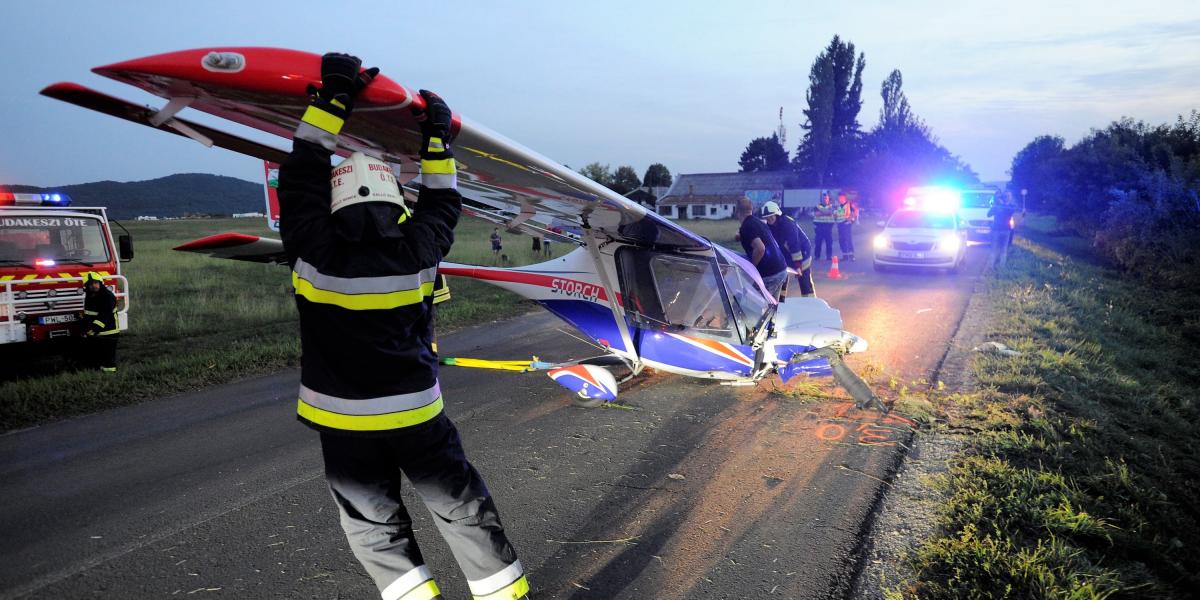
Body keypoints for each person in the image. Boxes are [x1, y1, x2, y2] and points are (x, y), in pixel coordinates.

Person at [278, 53, 528, 600]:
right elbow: (443, 200)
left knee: (373, 524)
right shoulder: (419, 248)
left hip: (341, 421)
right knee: (460, 507)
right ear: (397, 205)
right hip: (416, 412)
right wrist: (436, 139)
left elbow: (300, 176)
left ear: (333, 206)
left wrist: (331, 100)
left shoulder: (311, 249)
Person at [761, 201, 816, 297]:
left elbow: (794, 244)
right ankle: (780, 302)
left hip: (803, 252)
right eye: (767, 218)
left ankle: (810, 301)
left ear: (777, 214)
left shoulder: (788, 224)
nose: (769, 219)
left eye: (771, 216)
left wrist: (798, 266)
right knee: (782, 276)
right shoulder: (771, 225)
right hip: (787, 253)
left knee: (803, 278)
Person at [738, 203, 788, 296]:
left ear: (738, 212)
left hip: (770, 275)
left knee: (747, 302)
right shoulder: (758, 222)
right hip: (782, 270)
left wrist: (750, 268)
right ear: (751, 210)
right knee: (772, 306)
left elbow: (760, 249)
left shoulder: (746, 226)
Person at [80, 272, 119, 372]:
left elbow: (104, 315)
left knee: (108, 356)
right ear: (86, 286)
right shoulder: (90, 296)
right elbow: (89, 314)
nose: (94, 286)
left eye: (96, 283)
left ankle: (110, 375)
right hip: (96, 332)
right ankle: (98, 371)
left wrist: (94, 329)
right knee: (97, 355)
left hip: (109, 331)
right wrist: (85, 326)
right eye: (91, 284)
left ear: (100, 283)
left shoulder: (107, 296)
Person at [987, 192, 1018, 268]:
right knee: (1003, 250)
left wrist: (997, 204)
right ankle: (1001, 267)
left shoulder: (998, 206)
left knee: (993, 249)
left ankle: (991, 267)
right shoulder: (1010, 206)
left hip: (996, 230)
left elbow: (989, 214)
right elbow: (1014, 210)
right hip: (1005, 230)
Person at [812, 192, 836, 261]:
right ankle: (817, 256)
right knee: (818, 242)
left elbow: (830, 212)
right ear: (821, 199)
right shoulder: (817, 206)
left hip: (828, 227)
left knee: (829, 243)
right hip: (819, 227)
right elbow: (817, 214)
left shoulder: (832, 206)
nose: (825, 199)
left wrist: (822, 211)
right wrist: (827, 212)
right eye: (823, 198)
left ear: (828, 199)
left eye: (826, 198)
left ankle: (829, 256)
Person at [835, 193, 857, 261]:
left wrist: (851, 219)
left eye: (840, 198)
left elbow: (854, 213)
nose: (839, 199)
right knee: (841, 240)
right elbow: (837, 215)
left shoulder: (849, 205)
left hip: (846, 224)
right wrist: (835, 217)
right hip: (840, 225)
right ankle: (845, 255)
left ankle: (851, 256)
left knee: (848, 239)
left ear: (843, 198)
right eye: (838, 198)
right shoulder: (838, 206)